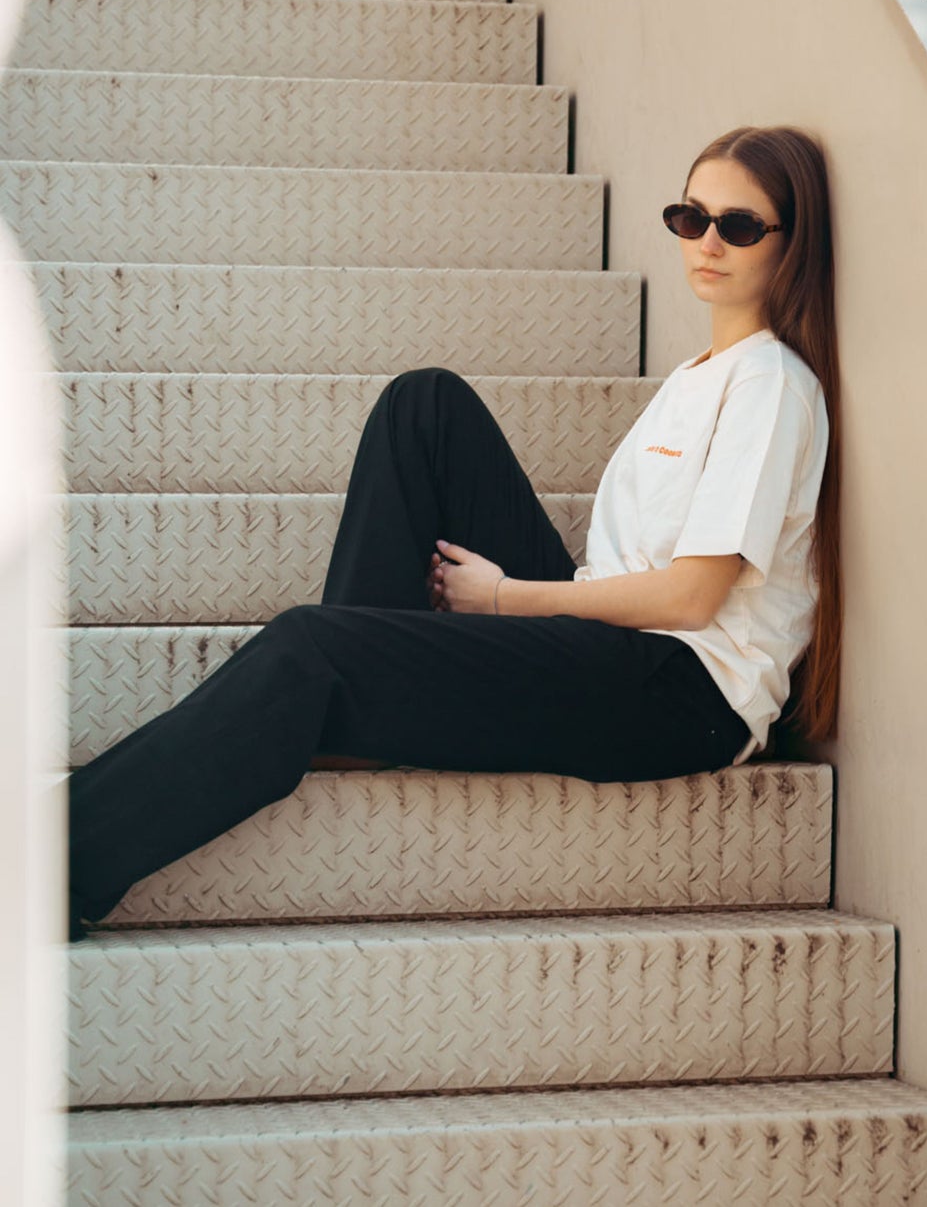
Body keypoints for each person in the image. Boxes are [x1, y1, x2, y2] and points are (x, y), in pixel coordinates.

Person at [66, 124, 842, 943]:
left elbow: (690, 599)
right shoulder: (697, 376)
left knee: (309, 646)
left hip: (683, 693)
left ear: (790, 246)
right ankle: (358, 705)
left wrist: (503, 598)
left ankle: (56, 867)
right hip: (607, 637)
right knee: (423, 405)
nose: (708, 242)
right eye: (691, 219)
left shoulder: (772, 385)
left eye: (740, 225)